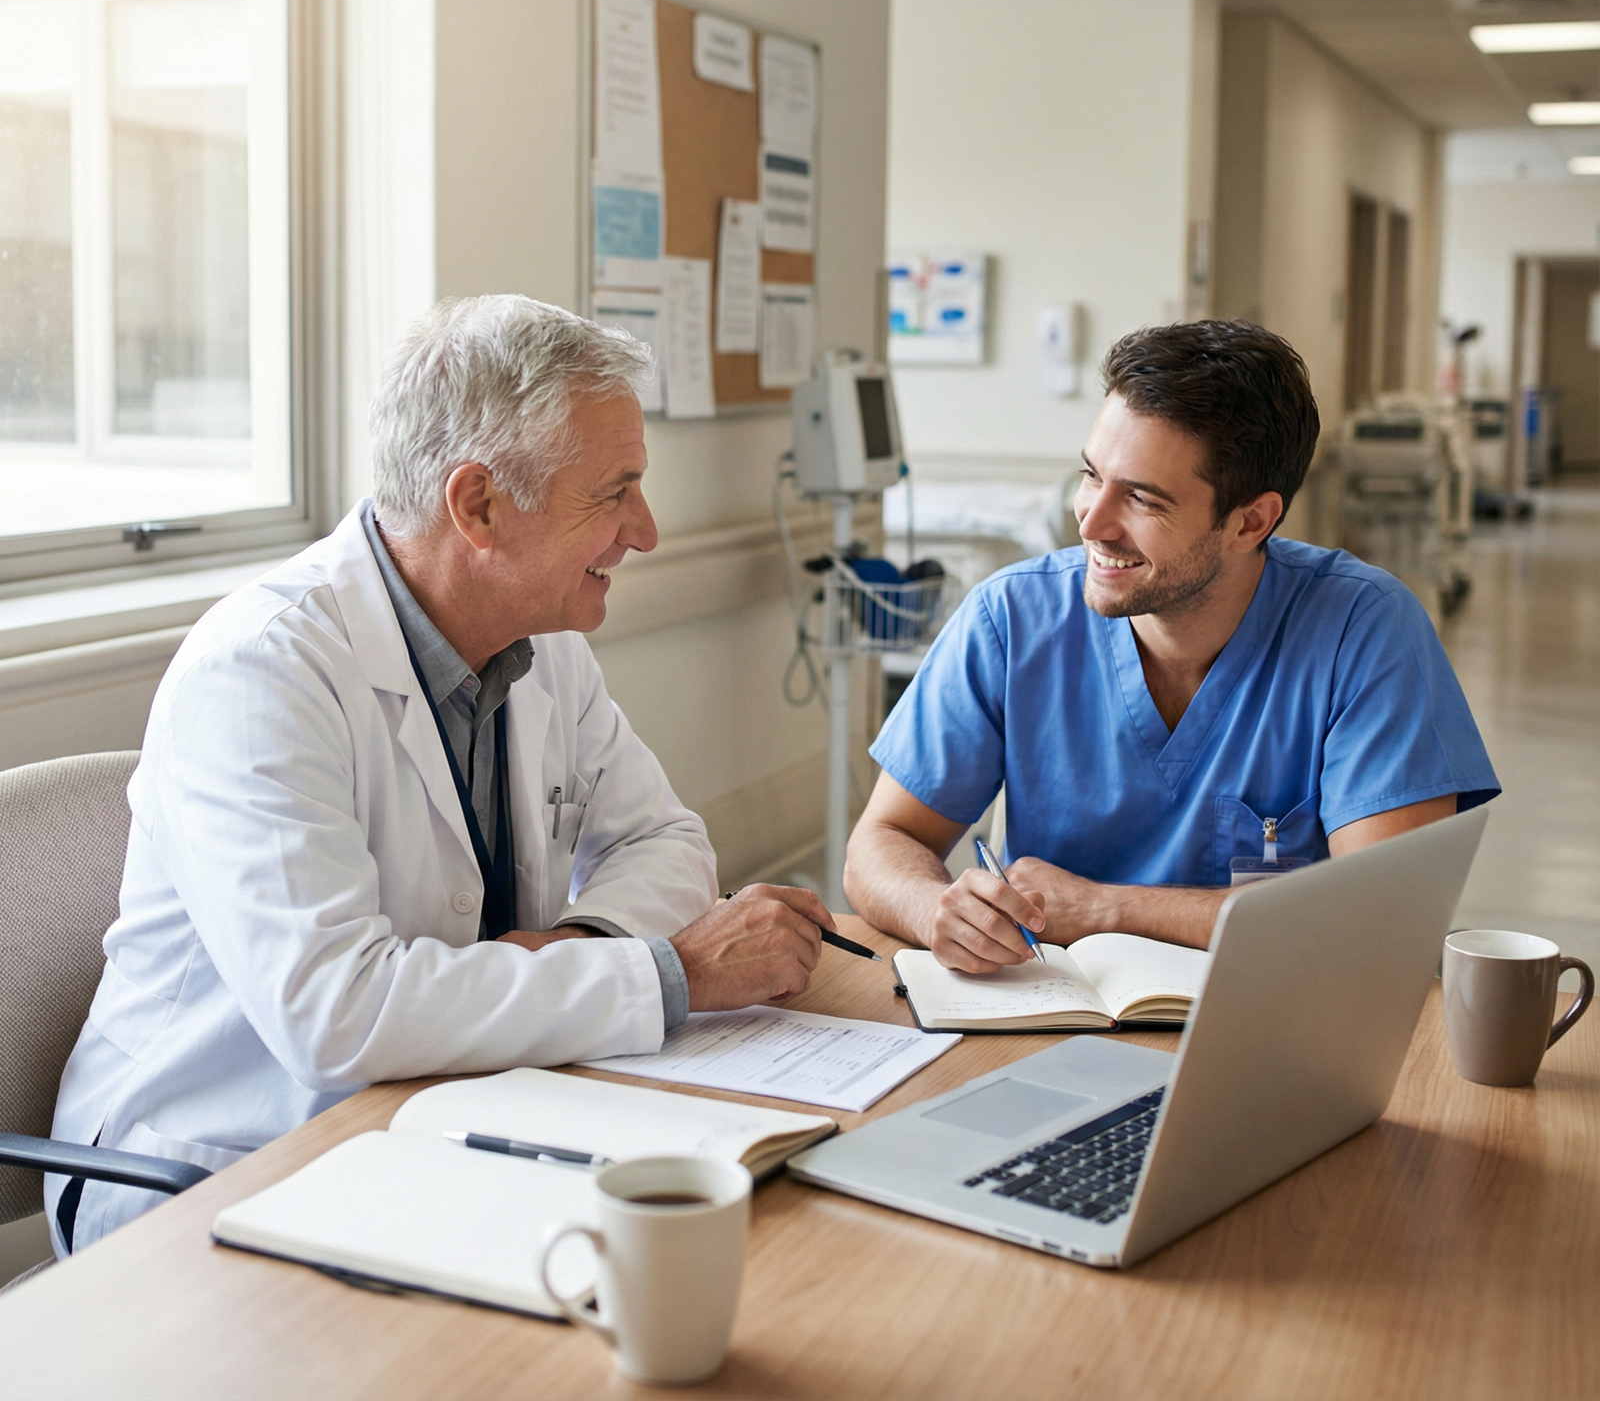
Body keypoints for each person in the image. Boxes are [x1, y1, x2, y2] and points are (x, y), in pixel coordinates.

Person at [49, 295, 833, 1255]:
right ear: (478, 506)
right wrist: (667, 972)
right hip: (220, 1170)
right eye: (614, 491)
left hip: (442, 1121)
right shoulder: (259, 671)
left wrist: (577, 947)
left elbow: (664, 840)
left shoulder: (541, 645)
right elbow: (338, 1016)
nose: (648, 530)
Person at [845, 320, 1499, 973]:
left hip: (1272, 1025)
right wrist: (938, 909)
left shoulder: (1364, 632)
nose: (1093, 522)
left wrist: (1109, 909)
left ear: (1251, 521)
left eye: (1142, 499)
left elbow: (1381, 917)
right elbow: (882, 842)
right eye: (1091, 476)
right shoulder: (1011, 620)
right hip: (1049, 1018)